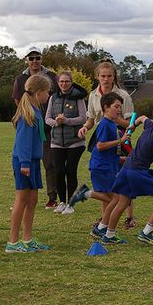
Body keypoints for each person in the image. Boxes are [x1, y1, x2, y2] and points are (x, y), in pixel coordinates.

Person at [102, 105, 153, 245]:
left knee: (122, 202)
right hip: (138, 171)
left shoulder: (150, 126)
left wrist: (132, 126)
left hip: (126, 169)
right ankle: (147, 232)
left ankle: (109, 234)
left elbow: (142, 118)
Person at [77, 60, 137, 229]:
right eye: (103, 76)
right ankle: (106, 219)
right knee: (106, 185)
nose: (106, 79)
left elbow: (130, 124)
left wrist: (115, 118)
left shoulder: (123, 96)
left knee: (124, 179)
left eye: (109, 76)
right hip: (102, 135)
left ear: (114, 76)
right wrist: (84, 128)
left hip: (121, 137)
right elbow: (90, 120)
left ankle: (129, 217)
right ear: (97, 77)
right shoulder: (93, 95)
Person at [69, 92, 130, 238]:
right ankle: (99, 223)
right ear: (106, 107)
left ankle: (101, 226)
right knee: (116, 199)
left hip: (108, 165)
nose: (119, 110)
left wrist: (121, 159)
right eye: (116, 106)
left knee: (112, 199)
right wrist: (120, 141)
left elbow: (108, 150)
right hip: (102, 167)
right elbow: (101, 146)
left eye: (120, 107)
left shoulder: (111, 123)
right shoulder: (104, 124)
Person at [6, 74, 51, 253]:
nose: (48, 96)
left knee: (32, 200)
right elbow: (23, 141)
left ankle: (27, 238)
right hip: (24, 162)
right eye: (47, 92)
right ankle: (13, 242)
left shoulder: (36, 110)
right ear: (39, 92)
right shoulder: (28, 114)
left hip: (33, 161)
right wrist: (25, 163)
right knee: (22, 199)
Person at [12, 46, 58, 210]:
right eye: (31, 58)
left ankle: (52, 197)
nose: (34, 61)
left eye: (37, 57)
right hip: (32, 130)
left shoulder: (51, 76)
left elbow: (58, 97)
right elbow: (18, 100)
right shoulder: (20, 79)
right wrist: (24, 163)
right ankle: (19, 204)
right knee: (24, 196)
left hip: (47, 127)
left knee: (49, 163)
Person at [44, 72, 88, 213]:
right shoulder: (53, 97)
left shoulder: (78, 97)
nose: (64, 84)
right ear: (58, 83)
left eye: (67, 81)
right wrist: (56, 122)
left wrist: (67, 121)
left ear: (71, 82)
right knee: (58, 172)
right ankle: (62, 201)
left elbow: (83, 118)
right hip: (56, 141)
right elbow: (47, 118)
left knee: (70, 171)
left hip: (74, 142)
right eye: (61, 81)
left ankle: (70, 203)